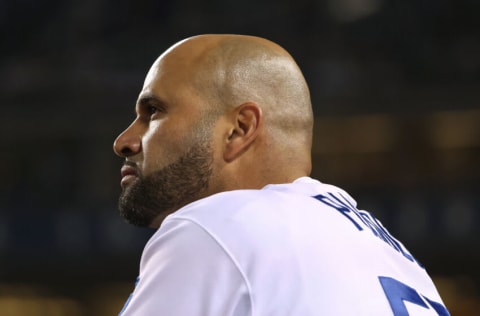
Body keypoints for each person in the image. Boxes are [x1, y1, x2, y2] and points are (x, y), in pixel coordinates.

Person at [113, 34, 450, 315]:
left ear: (238, 129)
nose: (124, 142)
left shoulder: (216, 226)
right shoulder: (393, 255)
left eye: (153, 112)